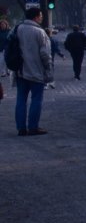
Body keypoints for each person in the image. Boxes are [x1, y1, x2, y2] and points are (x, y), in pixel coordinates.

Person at [15, 8, 52, 136]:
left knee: (21, 100)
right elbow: (45, 54)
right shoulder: (40, 32)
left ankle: (21, 128)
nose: (41, 18)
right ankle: (33, 127)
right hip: (36, 72)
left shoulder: (17, 29)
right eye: (41, 15)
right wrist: (49, 69)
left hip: (20, 71)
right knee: (36, 99)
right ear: (36, 17)